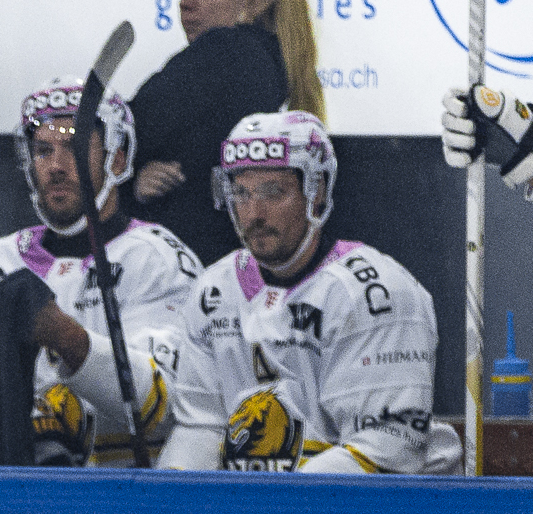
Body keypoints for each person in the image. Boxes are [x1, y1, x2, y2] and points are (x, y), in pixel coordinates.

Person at [160, 112, 450, 475]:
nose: (254, 213)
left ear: (317, 191)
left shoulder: (376, 293)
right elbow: (201, 426)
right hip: (271, 504)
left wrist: (273, 504)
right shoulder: (214, 291)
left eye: (273, 192)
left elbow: (386, 448)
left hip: (385, 509)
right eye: (241, 192)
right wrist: (173, 499)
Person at [0, 81, 198, 467]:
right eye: (43, 150)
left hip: (126, 494)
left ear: (116, 159)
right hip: (19, 497)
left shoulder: (159, 258)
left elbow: (163, 405)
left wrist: (68, 340)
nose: (55, 166)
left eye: (74, 147)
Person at [129, 0, 318, 271]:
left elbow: (123, 131)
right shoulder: (269, 61)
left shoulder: (225, 51)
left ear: (254, 2)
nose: (185, 3)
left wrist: (127, 183)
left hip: (189, 261)